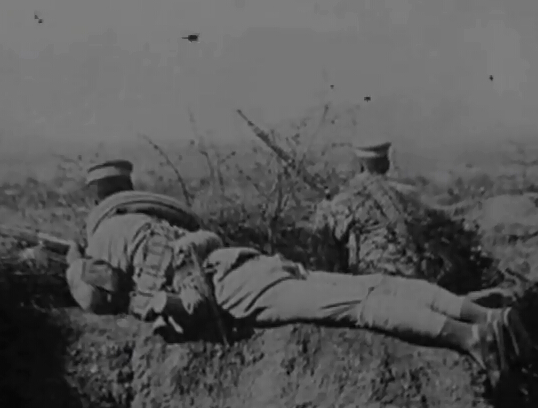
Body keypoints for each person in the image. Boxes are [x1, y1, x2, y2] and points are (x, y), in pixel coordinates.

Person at [64, 159, 533, 390]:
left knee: (358, 306)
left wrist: (73, 264)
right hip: (247, 262)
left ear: (96, 198)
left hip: (233, 288)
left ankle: (470, 338)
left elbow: (96, 298)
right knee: (377, 284)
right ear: (127, 188)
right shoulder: (155, 221)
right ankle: (485, 316)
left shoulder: (105, 234)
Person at [311, 138, 427, 276]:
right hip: (413, 272)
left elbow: (323, 234)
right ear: (386, 162)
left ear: (359, 164)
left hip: (375, 274)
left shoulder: (348, 195)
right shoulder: (408, 194)